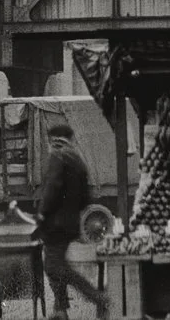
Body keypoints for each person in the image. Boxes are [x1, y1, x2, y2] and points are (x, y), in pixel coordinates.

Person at [34, 123, 109, 320]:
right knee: (56, 264)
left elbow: (52, 186)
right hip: (69, 223)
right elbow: (86, 196)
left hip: (55, 224)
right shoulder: (78, 158)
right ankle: (61, 310)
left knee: (54, 267)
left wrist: (42, 212)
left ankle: (97, 298)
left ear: (54, 139)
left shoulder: (58, 155)